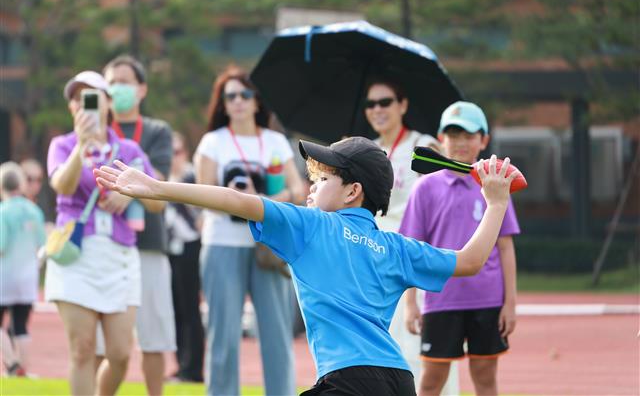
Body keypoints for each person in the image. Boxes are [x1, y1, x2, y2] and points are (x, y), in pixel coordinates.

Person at [94, 133, 521, 396]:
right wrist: (496, 203)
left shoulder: (311, 225)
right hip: (398, 381)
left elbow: (236, 200)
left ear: (352, 191)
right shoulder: (396, 247)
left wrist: (156, 187)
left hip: (348, 381)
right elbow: (470, 261)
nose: (312, 187)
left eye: (322, 179)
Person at [45, 70, 161, 395]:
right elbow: (62, 185)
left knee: (120, 354)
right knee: (82, 349)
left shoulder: (128, 149)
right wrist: (81, 145)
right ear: (71, 108)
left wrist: (132, 193)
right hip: (76, 255)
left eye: (92, 98)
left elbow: (158, 203)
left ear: (108, 103)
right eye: (77, 99)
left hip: (119, 255)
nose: (84, 105)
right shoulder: (62, 145)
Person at [193, 65, 305, 396]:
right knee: (223, 336)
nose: (238, 101)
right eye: (230, 97)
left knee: (277, 334)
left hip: (268, 246)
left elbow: (297, 190)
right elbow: (202, 193)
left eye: (244, 94)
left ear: (257, 101)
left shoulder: (275, 141)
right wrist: (235, 201)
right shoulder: (213, 142)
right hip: (222, 243)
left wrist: (261, 203)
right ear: (223, 104)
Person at [400, 101, 520, 396]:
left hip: (487, 299)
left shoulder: (496, 185)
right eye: (453, 135)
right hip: (441, 298)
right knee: (431, 379)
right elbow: (411, 249)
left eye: (469, 135)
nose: (461, 142)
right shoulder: (425, 188)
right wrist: (411, 303)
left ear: (484, 140)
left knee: (485, 377)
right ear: (442, 139)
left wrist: (510, 303)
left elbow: (505, 247)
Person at [97, 55, 174, 396]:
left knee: (154, 338)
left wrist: (127, 193)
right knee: (101, 345)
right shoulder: (95, 131)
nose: (117, 89)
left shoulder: (157, 131)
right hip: (102, 245)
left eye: (125, 82)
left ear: (141, 89)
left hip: (148, 244)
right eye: (111, 83)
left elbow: (161, 185)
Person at [363, 77, 443, 386]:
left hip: (413, 252)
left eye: (385, 102)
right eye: (371, 104)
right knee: (382, 342)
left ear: (403, 105)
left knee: (417, 344)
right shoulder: (365, 150)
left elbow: (442, 198)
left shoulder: (422, 145)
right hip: (373, 255)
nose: (377, 109)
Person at [0, 162, 46, 377]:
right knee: (21, 325)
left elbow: (1, 245)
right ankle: (22, 370)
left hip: (4, 276)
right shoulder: (34, 211)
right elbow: (42, 243)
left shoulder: (3, 211)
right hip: (28, 277)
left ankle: (11, 363)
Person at [166, 131, 204, 383]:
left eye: (177, 152)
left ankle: (193, 369)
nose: (173, 157)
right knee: (175, 308)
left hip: (191, 246)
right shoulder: (162, 178)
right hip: (170, 249)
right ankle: (181, 364)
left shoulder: (192, 177)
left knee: (190, 308)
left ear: (185, 153)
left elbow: (200, 214)